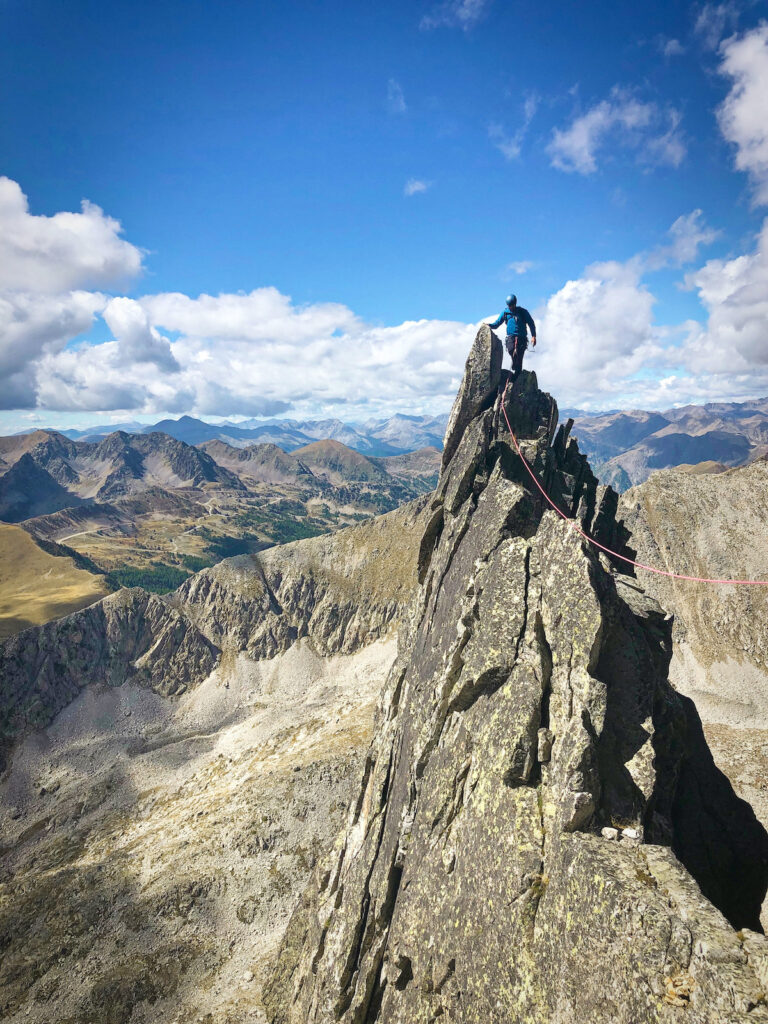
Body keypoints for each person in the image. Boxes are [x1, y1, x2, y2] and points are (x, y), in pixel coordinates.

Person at [487, 294, 537, 381]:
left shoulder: (522, 312)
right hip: (511, 337)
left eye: (512, 305)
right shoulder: (505, 313)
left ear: (515, 303)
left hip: (521, 338)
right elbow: (497, 323)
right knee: (511, 350)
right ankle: (514, 362)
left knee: (520, 357)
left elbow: (531, 323)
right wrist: (489, 325)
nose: (511, 307)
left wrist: (533, 336)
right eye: (509, 306)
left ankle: (516, 378)